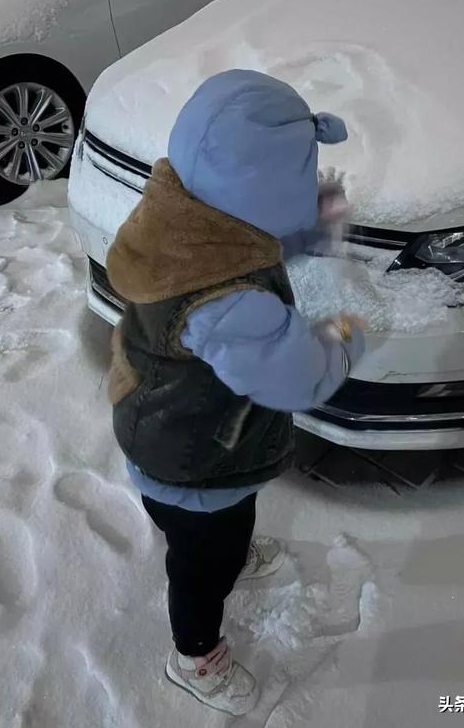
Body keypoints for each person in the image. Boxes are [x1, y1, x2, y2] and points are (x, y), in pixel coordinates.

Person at [106, 69, 366, 716]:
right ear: (264, 187)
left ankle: (229, 550)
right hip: (194, 457)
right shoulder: (229, 304)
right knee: (202, 563)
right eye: (300, 176)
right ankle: (194, 654)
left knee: (215, 526)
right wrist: (346, 336)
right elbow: (296, 376)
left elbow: (253, 243)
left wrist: (311, 230)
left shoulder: (184, 218)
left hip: (166, 424)